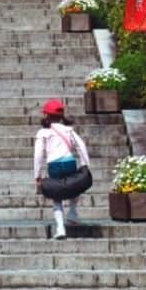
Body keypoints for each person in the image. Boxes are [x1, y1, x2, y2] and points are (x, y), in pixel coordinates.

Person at [33, 98, 91, 238]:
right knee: (74, 186)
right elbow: (81, 145)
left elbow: (38, 155)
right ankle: (72, 212)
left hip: (54, 165)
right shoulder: (68, 130)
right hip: (70, 161)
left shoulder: (43, 133)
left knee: (56, 196)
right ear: (61, 116)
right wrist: (85, 164)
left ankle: (60, 228)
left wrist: (37, 174)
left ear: (46, 115)